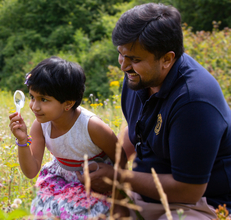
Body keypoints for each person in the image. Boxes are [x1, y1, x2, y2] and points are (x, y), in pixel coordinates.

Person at [77, 3, 231, 220]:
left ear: (167, 59)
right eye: (121, 54)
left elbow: (189, 190)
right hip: (146, 193)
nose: (123, 66)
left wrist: (117, 177)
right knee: (72, 207)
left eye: (134, 59)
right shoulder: (138, 77)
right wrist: (106, 163)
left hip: (200, 204)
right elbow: (137, 129)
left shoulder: (194, 101)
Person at [8, 56, 118, 219]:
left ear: (68, 104)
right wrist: (22, 141)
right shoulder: (40, 125)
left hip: (95, 182)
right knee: (45, 214)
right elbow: (31, 171)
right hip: (61, 181)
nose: (34, 106)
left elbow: (120, 157)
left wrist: (119, 193)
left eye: (44, 100)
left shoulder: (92, 126)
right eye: (32, 97)